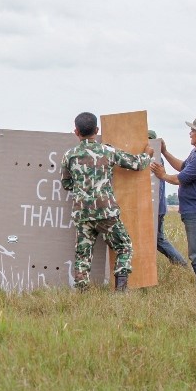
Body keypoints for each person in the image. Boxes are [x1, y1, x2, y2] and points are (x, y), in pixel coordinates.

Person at [61, 112, 153, 291]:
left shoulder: (69, 156)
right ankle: (120, 289)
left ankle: (81, 291)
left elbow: (66, 184)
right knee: (124, 246)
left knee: (83, 254)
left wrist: (83, 190)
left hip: (82, 213)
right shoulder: (108, 151)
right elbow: (136, 164)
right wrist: (147, 154)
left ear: (76, 131)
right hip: (106, 212)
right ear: (96, 130)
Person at [150, 116, 196, 287]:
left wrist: (162, 175)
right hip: (192, 209)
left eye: (193, 131)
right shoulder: (195, 153)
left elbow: (180, 178)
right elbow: (182, 166)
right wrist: (165, 151)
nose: (190, 133)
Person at [148, 130, 188, 266]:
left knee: (159, 240)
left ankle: (181, 264)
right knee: (158, 240)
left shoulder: (155, 159)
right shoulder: (156, 158)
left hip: (156, 209)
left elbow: (156, 189)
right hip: (158, 208)